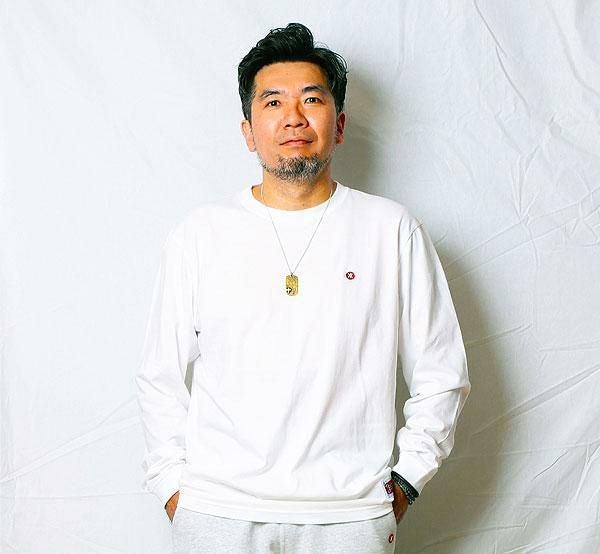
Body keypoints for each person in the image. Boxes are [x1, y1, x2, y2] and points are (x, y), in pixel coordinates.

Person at [135, 22, 471, 553]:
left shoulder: (390, 230)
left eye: (311, 99)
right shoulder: (200, 234)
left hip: (349, 517)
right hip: (219, 513)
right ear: (248, 131)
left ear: (339, 124)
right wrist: (173, 487)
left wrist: (406, 482)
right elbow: (159, 375)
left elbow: (441, 371)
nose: (293, 116)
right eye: (273, 102)